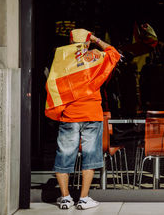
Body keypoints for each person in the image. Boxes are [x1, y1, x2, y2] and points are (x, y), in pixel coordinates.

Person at [45, 29, 121, 210]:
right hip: (92, 114)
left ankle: (65, 198)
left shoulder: (62, 60)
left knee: (64, 155)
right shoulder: (93, 57)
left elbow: (51, 83)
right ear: (87, 42)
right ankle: (84, 198)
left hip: (69, 114)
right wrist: (97, 40)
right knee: (90, 156)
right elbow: (114, 54)